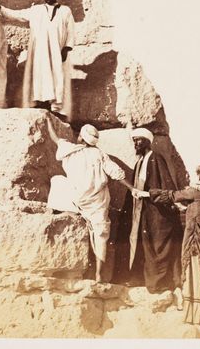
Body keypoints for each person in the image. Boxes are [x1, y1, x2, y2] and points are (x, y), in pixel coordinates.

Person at [46, 118, 136, 282]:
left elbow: (55, 138)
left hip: (76, 199)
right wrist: (132, 188)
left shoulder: (71, 150)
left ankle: (66, 212)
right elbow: (117, 173)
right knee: (101, 234)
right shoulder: (100, 154)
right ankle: (99, 273)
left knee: (57, 181)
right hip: (97, 202)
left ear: (81, 138)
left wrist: (48, 121)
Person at [148, 164, 200, 328]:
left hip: (196, 239)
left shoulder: (194, 191)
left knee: (195, 270)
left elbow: (171, 196)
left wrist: (149, 193)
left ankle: (197, 316)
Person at [0, 0, 75, 118]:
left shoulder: (65, 11)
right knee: (40, 75)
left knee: (57, 76)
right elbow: (17, 14)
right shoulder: (36, 10)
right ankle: (41, 102)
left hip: (57, 50)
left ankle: (56, 107)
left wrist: (66, 48)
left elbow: (71, 30)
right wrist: (1, 9)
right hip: (40, 52)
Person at [119, 127, 183, 295]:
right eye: (134, 141)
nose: (136, 143)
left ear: (147, 141)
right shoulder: (139, 162)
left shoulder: (155, 158)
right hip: (142, 212)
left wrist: (148, 196)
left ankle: (160, 283)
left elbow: (166, 187)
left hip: (157, 212)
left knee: (156, 246)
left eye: (138, 140)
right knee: (143, 244)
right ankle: (142, 279)